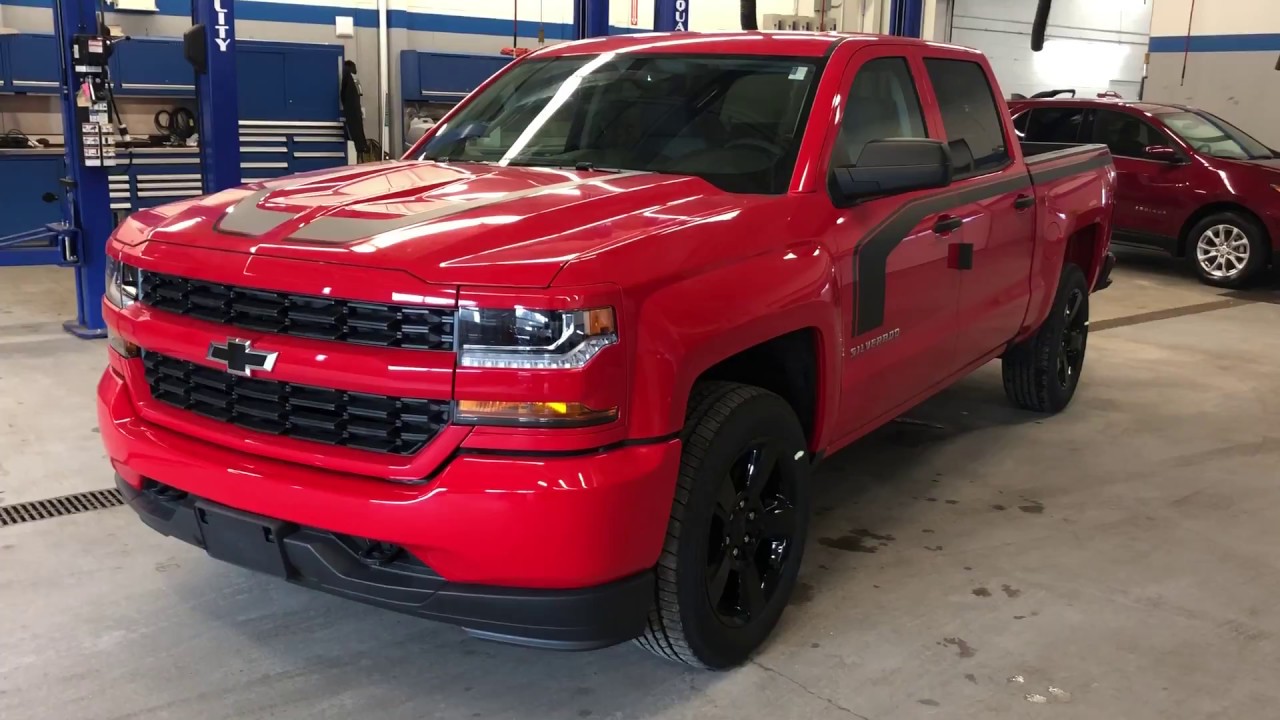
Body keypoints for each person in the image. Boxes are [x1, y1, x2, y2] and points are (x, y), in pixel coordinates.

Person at [341, 60, 368, 162]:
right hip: (354, 113)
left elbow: (343, 96)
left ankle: (360, 151)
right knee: (358, 135)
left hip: (352, 113)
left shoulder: (347, 78)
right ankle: (361, 151)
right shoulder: (352, 79)